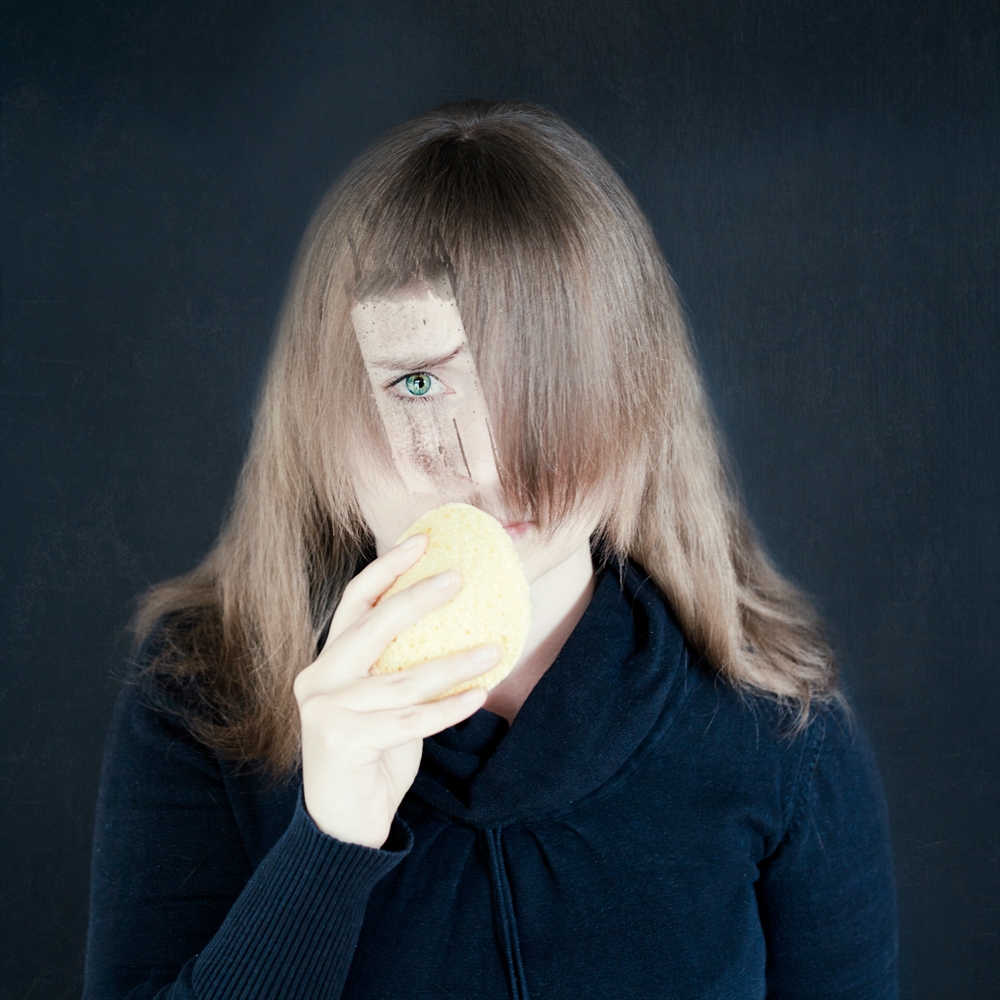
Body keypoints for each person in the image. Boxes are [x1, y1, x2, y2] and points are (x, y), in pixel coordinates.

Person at [83, 100, 898, 999]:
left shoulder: (781, 725)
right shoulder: (199, 693)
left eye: (545, 379)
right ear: (318, 416)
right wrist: (329, 844)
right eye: (417, 382)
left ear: (637, 397)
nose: (489, 460)